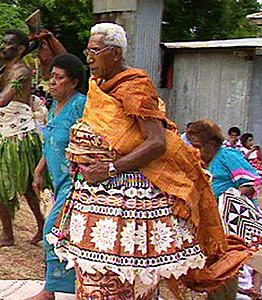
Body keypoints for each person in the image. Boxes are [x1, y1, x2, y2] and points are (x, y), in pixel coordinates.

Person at [47, 23, 248, 300]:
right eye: (88, 51)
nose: (89, 58)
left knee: (128, 274)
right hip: (92, 194)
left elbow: (156, 142)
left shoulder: (134, 86)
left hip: (127, 196)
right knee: (93, 276)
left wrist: (110, 168)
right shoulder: (99, 87)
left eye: (95, 51)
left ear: (115, 53)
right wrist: (80, 157)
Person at [0, 29, 45, 247]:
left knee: (1, 186)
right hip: (7, 134)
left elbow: (2, 100)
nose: (3, 47)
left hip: (19, 137)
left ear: (21, 49)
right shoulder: (9, 72)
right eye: (3, 43)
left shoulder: (21, 72)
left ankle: (9, 234)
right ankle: (40, 227)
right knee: (24, 186)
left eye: (8, 44)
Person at [25, 54, 87, 300]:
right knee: (66, 235)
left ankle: (49, 291)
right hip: (59, 182)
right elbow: (51, 143)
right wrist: (40, 170)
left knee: (53, 230)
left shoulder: (80, 105)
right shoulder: (54, 107)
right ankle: (75, 286)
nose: (52, 82)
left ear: (73, 82)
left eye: (59, 78)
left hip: (77, 183)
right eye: (52, 77)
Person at [187, 120, 262, 300]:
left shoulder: (227, 155)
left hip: (231, 223)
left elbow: (250, 182)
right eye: (192, 146)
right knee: (213, 266)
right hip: (210, 222)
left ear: (211, 144)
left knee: (228, 265)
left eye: (198, 146)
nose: (195, 150)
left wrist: (231, 196)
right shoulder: (199, 162)